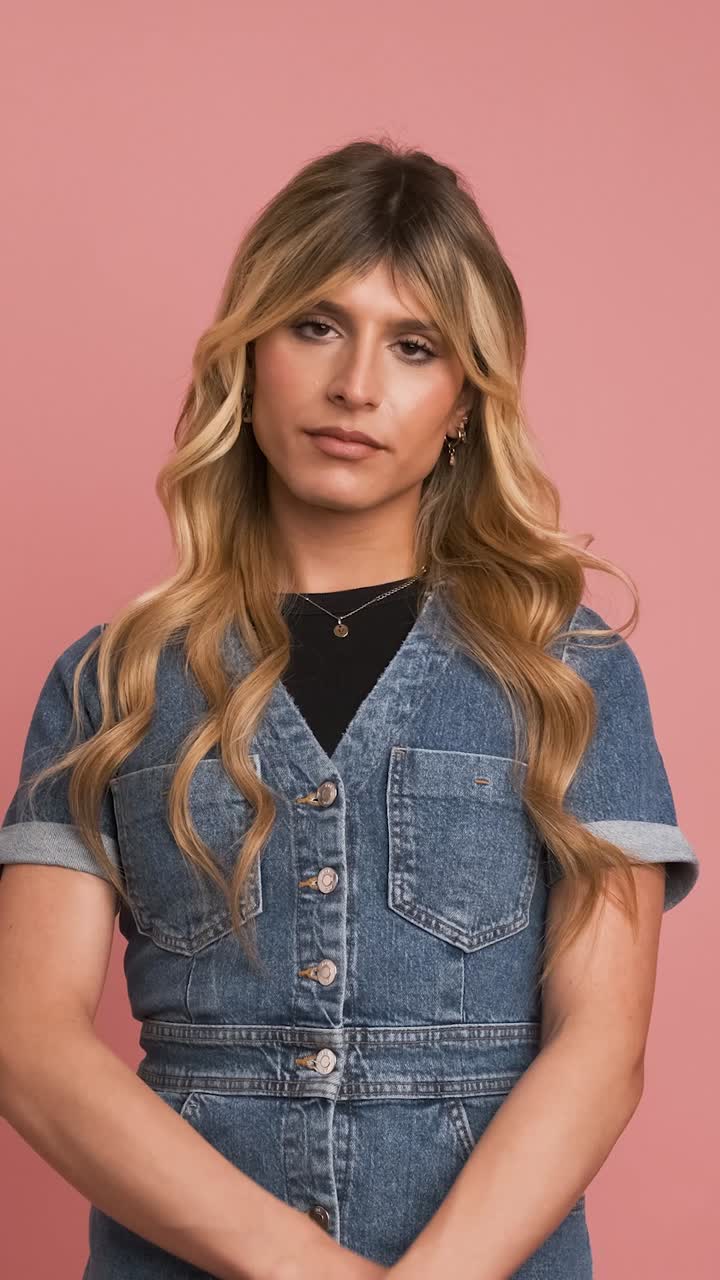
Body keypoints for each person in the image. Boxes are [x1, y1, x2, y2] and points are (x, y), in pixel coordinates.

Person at [0, 138, 700, 1280]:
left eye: (414, 346)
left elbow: (602, 1047)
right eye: (316, 326)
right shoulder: (108, 684)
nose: (356, 385)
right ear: (250, 355)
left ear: (465, 401)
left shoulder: (569, 676)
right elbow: (28, 1044)